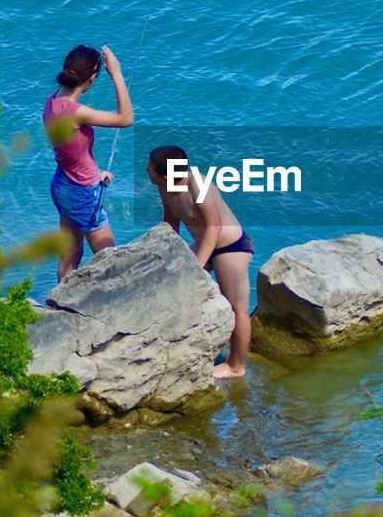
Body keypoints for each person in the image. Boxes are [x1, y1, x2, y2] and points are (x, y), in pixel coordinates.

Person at [146, 145, 252, 380]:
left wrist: (197, 266)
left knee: (237, 309)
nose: (146, 170)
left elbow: (214, 227)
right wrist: (164, 254)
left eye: (150, 169)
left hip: (230, 247)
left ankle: (236, 366)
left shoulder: (198, 184)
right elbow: (171, 222)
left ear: (164, 175)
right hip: (205, 245)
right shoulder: (165, 186)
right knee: (170, 286)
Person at [43, 44, 133, 282]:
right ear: (92, 77)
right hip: (82, 193)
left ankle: (59, 307)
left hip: (63, 184)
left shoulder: (52, 101)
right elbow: (126, 118)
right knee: (111, 261)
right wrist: (117, 74)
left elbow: (72, 150)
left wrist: (96, 174)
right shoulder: (76, 112)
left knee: (69, 257)